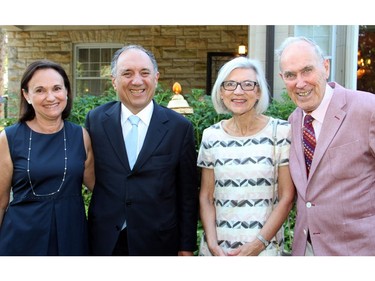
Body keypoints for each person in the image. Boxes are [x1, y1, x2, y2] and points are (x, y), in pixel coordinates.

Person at [85, 45, 199, 256]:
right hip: (105, 241)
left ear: (156, 78)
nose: (137, 81)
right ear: (113, 80)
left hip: (158, 242)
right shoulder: (96, 121)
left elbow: (187, 195)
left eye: (144, 73)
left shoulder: (179, 128)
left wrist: (186, 247)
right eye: (127, 73)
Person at [276, 36, 375, 256]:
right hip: (306, 251)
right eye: (291, 75)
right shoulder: (292, 122)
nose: (300, 83)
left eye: (307, 70)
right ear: (282, 78)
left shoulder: (367, 108)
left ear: (326, 67)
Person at [197, 56, 295, 256]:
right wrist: (213, 244)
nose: (238, 91)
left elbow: (287, 197)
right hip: (218, 252)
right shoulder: (210, 135)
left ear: (258, 92)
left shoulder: (281, 131)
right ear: (221, 92)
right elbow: (206, 197)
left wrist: (257, 245)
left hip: (264, 250)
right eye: (230, 85)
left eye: (247, 84)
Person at [0, 60, 95, 255]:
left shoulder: (81, 136)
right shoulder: (8, 138)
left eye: (57, 88)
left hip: (72, 238)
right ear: (26, 95)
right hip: (21, 241)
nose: (50, 97)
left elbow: (102, 188)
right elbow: (0, 202)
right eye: (40, 90)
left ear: (66, 92)